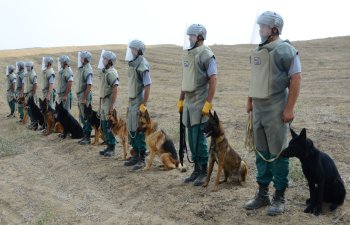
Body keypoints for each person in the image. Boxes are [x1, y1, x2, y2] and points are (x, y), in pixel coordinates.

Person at [244, 11, 302, 216]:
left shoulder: (285, 50)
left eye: (263, 27)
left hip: (277, 109)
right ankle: (262, 194)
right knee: (261, 152)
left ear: (274, 28)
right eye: (259, 26)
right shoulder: (259, 51)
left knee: (278, 153)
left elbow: (295, 78)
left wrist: (289, 108)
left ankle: (279, 196)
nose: (259, 30)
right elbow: (255, 78)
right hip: (259, 110)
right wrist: (250, 100)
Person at [177, 24, 217, 186]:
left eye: (192, 36)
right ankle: (196, 169)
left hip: (200, 102)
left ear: (200, 37)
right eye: (189, 36)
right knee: (191, 137)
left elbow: (213, 79)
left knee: (199, 138)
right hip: (188, 102)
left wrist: (208, 103)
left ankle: (203, 170)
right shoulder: (188, 55)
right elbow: (185, 80)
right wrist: (181, 99)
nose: (189, 38)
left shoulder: (206, 54)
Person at [123, 39, 152, 170]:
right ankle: (135, 155)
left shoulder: (142, 65)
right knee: (132, 128)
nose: (130, 51)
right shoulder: (133, 64)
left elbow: (147, 85)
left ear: (138, 50)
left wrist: (143, 105)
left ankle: (141, 157)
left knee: (139, 130)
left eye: (132, 49)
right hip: (132, 102)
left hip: (139, 102)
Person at [97, 50, 119, 157]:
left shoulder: (111, 73)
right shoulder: (104, 72)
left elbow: (115, 90)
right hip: (104, 102)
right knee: (104, 126)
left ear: (109, 61)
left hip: (108, 102)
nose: (103, 60)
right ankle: (108, 146)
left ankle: (112, 147)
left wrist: (112, 106)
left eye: (104, 58)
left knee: (109, 126)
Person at [76, 51, 93, 145]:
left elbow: (89, 85)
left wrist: (84, 97)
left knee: (86, 117)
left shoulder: (88, 70)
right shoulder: (82, 68)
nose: (80, 59)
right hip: (81, 95)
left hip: (84, 96)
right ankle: (85, 135)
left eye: (82, 57)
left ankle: (88, 137)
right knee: (82, 117)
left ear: (85, 59)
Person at [23, 61, 38, 129]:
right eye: (26, 67)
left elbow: (35, 85)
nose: (27, 68)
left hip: (31, 94)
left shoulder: (33, 74)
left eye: (28, 66)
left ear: (31, 67)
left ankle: (35, 124)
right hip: (26, 94)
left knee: (32, 109)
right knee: (29, 110)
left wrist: (32, 95)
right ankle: (32, 122)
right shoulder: (26, 74)